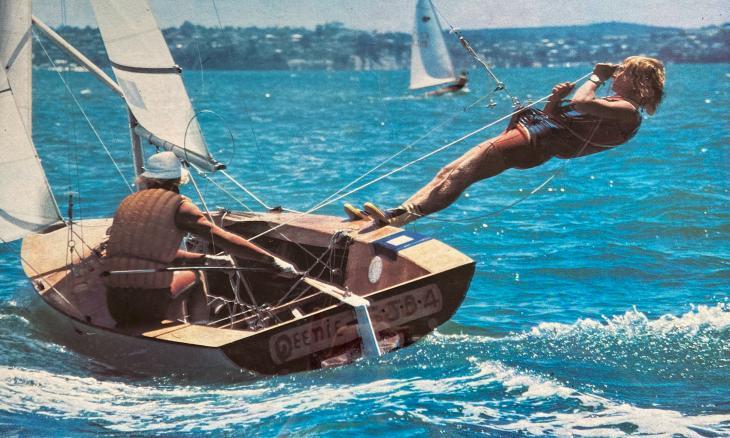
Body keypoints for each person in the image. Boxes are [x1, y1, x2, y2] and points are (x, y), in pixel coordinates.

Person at [346, 56, 665, 226]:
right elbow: (562, 118)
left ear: (635, 80)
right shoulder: (617, 109)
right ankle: (398, 213)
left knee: (460, 174)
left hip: (532, 143)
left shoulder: (626, 110)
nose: (615, 74)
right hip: (535, 139)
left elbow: (582, 104)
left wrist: (596, 76)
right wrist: (555, 100)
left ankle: (401, 217)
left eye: (622, 71)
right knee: (450, 170)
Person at [103, 151, 300, 326]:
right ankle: (199, 329)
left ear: (147, 179)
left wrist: (209, 260)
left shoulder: (128, 203)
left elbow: (152, 254)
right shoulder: (179, 206)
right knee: (196, 276)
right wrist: (272, 261)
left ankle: (171, 326)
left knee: (173, 276)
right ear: (178, 180)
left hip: (115, 305)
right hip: (149, 307)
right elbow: (224, 239)